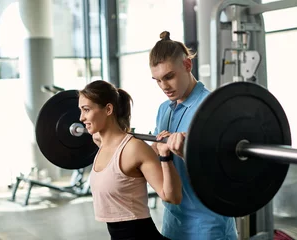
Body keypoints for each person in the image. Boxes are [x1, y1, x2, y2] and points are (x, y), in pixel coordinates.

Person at [149, 31, 238, 240]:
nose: (164, 87)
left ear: (187, 65)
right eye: (157, 80)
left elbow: (228, 174)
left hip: (208, 225)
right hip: (172, 221)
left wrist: (187, 155)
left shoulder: (213, 108)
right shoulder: (164, 109)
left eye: (169, 77)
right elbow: (159, 162)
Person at [78, 80, 182, 240]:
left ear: (108, 109)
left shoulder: (135, 149)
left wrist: (165, 156)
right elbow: (104, 139)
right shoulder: (102, 144)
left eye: (86, 110)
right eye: (81, 110)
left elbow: (172, 197)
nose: (81, 117)